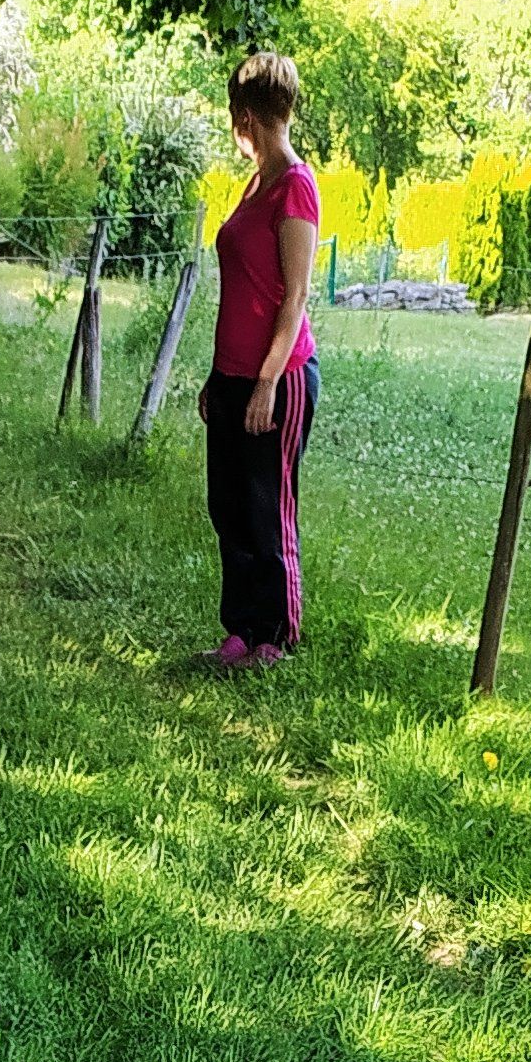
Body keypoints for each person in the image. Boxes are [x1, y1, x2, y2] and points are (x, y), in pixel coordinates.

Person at [199, 52, 320, 667]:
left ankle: (276, 635)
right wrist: (217, 376)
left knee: (267, 509)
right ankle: (240, 630)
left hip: (278, 380)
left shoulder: (296, 186)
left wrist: (267, 382)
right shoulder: (255, 185)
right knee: (228, 506)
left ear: (245, 117)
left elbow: (295, 296)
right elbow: (244, 291)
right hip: (232, 376)